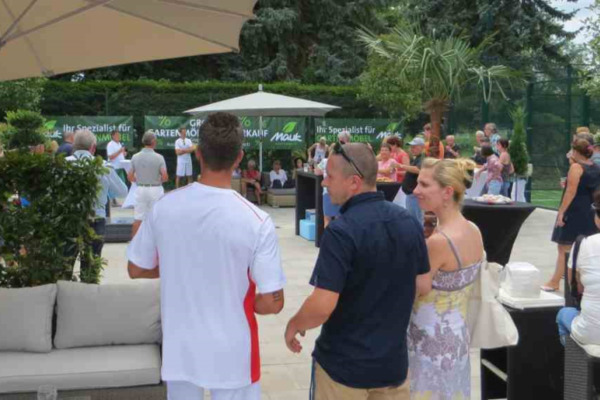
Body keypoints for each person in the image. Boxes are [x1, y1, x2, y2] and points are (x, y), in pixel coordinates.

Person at [127, 112, 286, 400]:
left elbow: (136, 268)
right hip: (234, 351)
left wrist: (179, 264)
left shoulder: (165, 207)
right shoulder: (257, 220)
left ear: (198, 153)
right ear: (239, 158)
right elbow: (273, 302)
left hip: (181, 347)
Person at [285, 142, 429, 400]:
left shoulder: (340, 231)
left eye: (330, 176)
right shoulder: (409, 222)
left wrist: (294, 324)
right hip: (392, 368)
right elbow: (422, 285)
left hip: (343, 370)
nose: (324, 182)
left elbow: (322, 305)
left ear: (354, 182)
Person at [409, 157, 483, 399]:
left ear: (447, 192)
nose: (416, 190)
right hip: (458, 340)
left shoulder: (439, 242)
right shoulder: (473, 230)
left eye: (424, 184)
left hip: (430, 345)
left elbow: (417, 289)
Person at [66, 129, 127, 276]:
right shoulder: (103, 166)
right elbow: (122, 191)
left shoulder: (63, 164)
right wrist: (105, 192)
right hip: (95, 220)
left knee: (66, 264)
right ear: (93, 147)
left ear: (74, 146)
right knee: (91, 268)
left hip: (69, 219)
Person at [544, 139, 600, 291]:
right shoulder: (595, 167)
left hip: (574, 210)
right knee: (583, 247)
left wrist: (561, 212)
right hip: (589, 211)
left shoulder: (576, 167)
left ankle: (556, 282)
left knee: (564, 248)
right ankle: (575, 282)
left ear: (575, 151)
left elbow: (571, 191)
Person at [556, 189, 600, 346]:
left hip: (592, 333)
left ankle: (575, 356)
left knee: (563, 314)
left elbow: (576, 288)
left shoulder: (584, 244)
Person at [128, 131, 168, 237]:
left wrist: (138, 180)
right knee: (157, 218)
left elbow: (130, 176)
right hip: (155, 189)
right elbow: (165, 177)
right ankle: (157, 243)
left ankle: (134, 243)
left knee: (138, 218)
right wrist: (157, 180)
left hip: (141, 188)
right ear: (153, 141)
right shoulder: (159, 157)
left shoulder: (135, 157)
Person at [399, 137, 426, 226]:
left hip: (415, 195)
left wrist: (401, 166)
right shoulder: (417, 158)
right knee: (413, 219)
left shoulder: (423, 158)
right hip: (411, 194)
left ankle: (419, 234)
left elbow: (418, 169)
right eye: (411, 147)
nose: (412, 149)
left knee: (417, 220)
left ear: (422, 147)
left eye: (414, 147)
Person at [315, 149, 341, 228]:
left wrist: (323, 172)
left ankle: (328, 235)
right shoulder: (342, 163)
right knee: (338, 218)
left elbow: (316, 172)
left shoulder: (325, 161)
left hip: (327, 192)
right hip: (340, 193)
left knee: (327, 219)